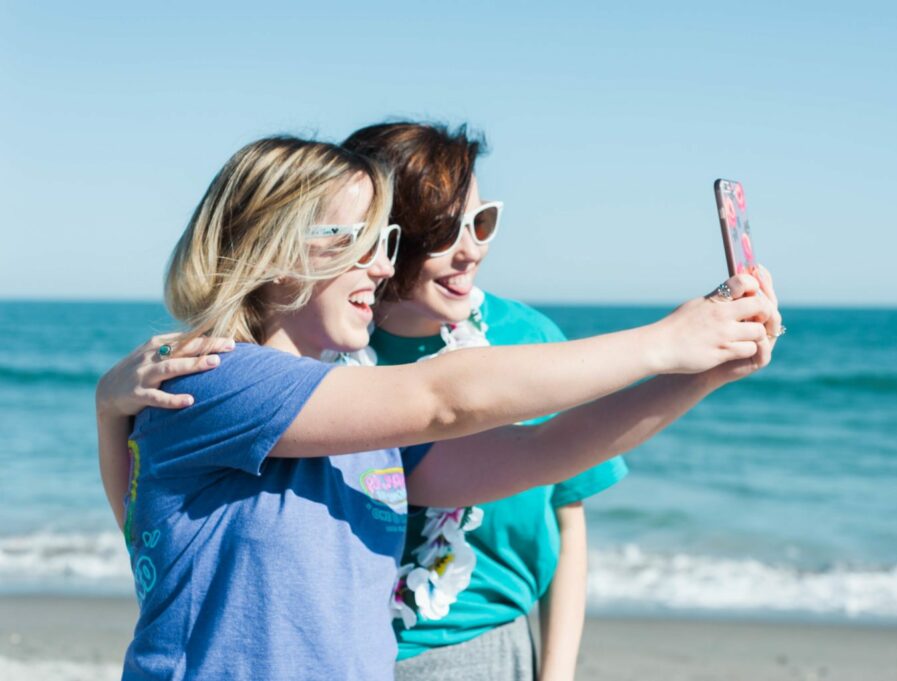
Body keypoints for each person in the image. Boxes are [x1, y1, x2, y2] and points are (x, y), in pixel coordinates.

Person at [95, 135, 781, 681]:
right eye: (357, 241)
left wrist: (708, 371)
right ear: (275, 251)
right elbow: (444, 397)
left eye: (385, 241)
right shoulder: (212, 380)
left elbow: (545, 452)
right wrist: (667, 341)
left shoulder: (358, 415)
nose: (380, 266)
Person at [341, 121, 623, 681]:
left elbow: (568, 518)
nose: (470, 251)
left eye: (482, 221)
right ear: (385, 237)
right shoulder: (330, 344)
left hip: (479, 646)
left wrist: (558, 672)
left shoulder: (526, 338)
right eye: (444, 232)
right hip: (338, 649)